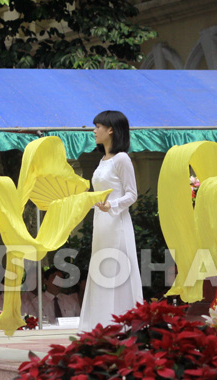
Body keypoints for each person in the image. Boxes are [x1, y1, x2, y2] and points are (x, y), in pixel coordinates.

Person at [78, 110, 143, 333]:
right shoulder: (102, 159)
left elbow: (132, 194)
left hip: (117, 223)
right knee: (101, 269)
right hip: (101, 223)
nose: (94, 131)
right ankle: (100, 324)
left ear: (111, 129)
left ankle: (121, 325)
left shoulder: (122, 158)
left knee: (117, 271)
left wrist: (112, 206)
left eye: (98, 126)